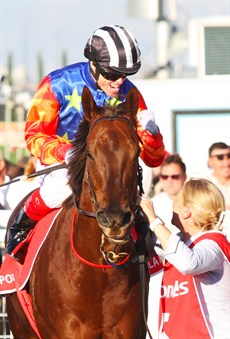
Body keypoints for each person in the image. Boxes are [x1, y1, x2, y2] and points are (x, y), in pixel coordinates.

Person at [6, 25, 165, 254]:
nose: (119, 82)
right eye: (111, 74)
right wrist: (66, 153)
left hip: (109, 167)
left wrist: (152, 133)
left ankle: (148, 254)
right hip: (60, 161)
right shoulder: (57, 83)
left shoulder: (131, 95)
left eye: (125, 75)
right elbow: (34, 135)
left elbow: (154, 159)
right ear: (94, 64)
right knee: (60, 186)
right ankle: (21, 225)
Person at [139, 178, 230, 339]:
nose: (172, 203)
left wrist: (153, 220)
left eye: (178, 198)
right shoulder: (181, 242)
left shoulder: (216, 243)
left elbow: (188, 262)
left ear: (187, 211)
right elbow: (160, 242)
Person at [152, 153, 187, 233]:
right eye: (165, 177)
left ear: (184, 177)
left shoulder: (195, 202)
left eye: (175, 176)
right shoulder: (153, 203)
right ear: (160, 178)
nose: (169, 180)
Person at [207, 142, 230, 210]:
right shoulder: (204, 186)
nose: (226, 163)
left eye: (229, 156)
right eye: (220, 157)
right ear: (210, 161)